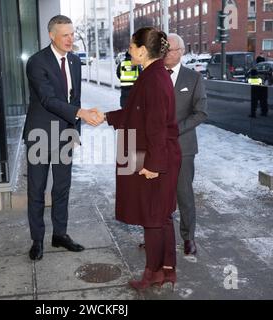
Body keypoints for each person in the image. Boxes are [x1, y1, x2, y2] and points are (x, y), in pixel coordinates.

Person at [99, 27, 181, 290]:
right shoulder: (152, 75)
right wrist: (106, 117)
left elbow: (156, 125)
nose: (129, 51)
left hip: (154, 157)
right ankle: (167, 269)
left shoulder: (154, 79)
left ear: (143, 51)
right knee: (163, 215)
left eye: (132, 46)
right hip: (156, 154)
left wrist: (153, 166)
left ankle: (153, 273)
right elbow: (136, 113)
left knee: (153, 218)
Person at [23, 15, 101, 261]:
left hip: (65, 134)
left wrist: (74, 129)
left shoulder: (76, 61)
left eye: (72, 33)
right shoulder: (37, 62)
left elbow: (73, 97)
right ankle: (37, 240)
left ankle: (60, 234)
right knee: (36, 190)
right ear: (52, 35)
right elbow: (48, 99)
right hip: (40, 135)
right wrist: (80, 114)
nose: (70, 39)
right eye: (65, 34)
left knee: (62, 188)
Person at [164, 34, 208, 255]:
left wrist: (174, 130)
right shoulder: (153, 75)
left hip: (184, 147)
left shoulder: (193, 78)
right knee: (159, 195)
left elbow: (201, 113)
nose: (166, 54)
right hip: (157, 148)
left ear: (181, 51)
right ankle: (158, 237)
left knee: (184, 194)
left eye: (170, 50)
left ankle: (188, 237)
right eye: (163, 49)